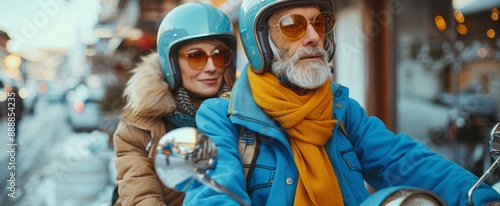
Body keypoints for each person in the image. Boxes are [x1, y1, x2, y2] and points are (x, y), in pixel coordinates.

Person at [184, 0, 500, 205]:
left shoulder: (340, 109)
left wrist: (482, 198)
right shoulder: (221, 118)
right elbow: (215, 194)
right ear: (260, 42)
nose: (312, 37)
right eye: (294, 25)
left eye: (318, 23)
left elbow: (403, 162)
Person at [112, 2, 237, 205]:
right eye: (196, 56)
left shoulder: (243, 113)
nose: (211, 67)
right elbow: (142, 196)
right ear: (171, 63)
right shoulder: (138, 126)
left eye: (219, 55)